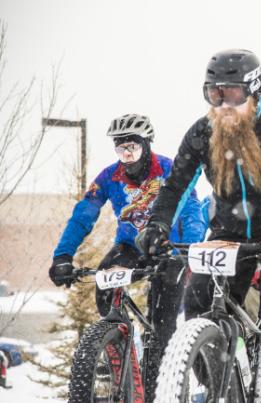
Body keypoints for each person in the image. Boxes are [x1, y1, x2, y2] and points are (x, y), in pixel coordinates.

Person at [135, 49, 261, 402]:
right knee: (196, 301)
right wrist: (157, 224)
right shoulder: (202, 132)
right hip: (229, 232)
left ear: (254, 91)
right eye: (214, 93)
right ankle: (220, 386)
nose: (223, 103)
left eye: (232, 93)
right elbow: (175, 186)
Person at [49, 114, 204, 397]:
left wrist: (188, 252)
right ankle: (120, 343)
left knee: (162, 321)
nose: (128, 154)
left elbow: (193, 210)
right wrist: (63, 256)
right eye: (121, 148)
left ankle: (161, 385)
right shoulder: (109, 176)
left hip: (170, 248)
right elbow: (83, 215)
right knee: (104, 288)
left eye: (133, 146)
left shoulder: (168, 169)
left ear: (146, 145)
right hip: (130, 246)